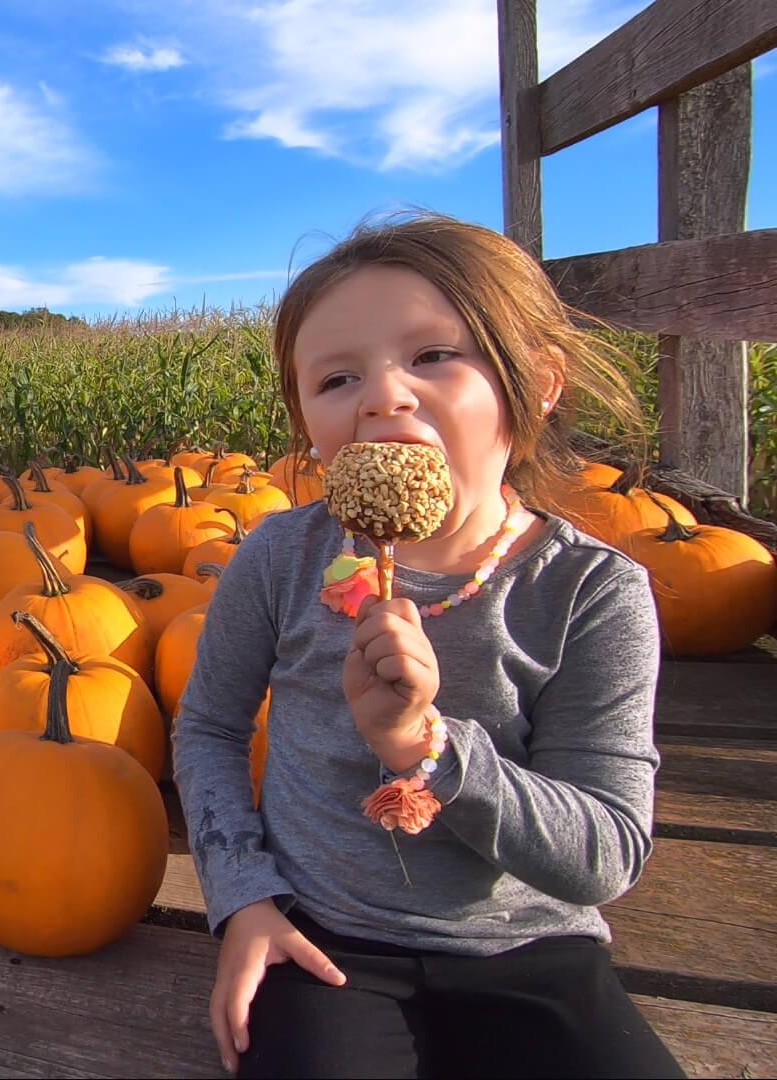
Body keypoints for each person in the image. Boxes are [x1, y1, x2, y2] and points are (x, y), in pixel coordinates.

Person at [172, 211, 685, 1077]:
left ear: (540, 381)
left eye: (432, 356)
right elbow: (209, 729)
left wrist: (430, 748)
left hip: (531, 947)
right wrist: (242, 899)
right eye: (337, 378)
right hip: (325, 936)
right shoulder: (279, 560)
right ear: (307, 420)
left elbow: (606, 851)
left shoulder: (592, 592)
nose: (384, 396)